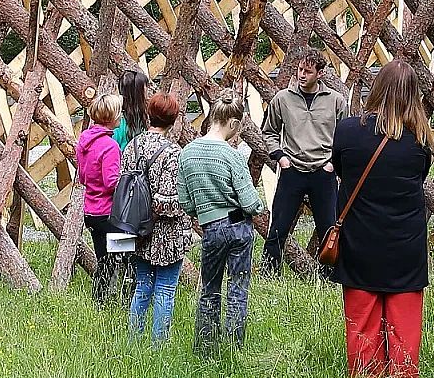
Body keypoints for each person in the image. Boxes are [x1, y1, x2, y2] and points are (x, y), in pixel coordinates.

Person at [330, 60, 432, 378]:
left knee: (361, 324)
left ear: (377, 88)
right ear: (412, 95)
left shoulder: (348, 131)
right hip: (405, 244)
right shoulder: (419, 140)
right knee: (404, 327)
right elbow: (420, 178)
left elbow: (340, 170)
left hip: (360, 240)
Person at [178, 93, 267, 355]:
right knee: (237, 288)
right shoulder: (232, 156)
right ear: (233, 123)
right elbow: (250, 202)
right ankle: (233, 348)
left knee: (209, 289)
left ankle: (205, 348)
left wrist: (204, 210)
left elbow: (185, 201)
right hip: (238, 227)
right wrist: (259, 207)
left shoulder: (187, 154)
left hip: (211, 228)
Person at [259, 50, 347, 276]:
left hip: (323, 171)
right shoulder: (282, 99)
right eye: (299, 70)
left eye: (308, 71)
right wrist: (281, 157)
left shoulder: (336, 101)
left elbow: (344, 137)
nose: (301, 75)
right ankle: (269, 274)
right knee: (278, 227)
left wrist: (333, 164)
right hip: (292, 170)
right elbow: (269, 132)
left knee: (328, 229)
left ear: (320, 73)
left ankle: (329, 277)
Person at [124, 93, 187, 344]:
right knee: (165, 289)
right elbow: (166, 202)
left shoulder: (132, 146)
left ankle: (133, 341)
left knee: (142, 286)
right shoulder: (172, 152)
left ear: (149, 114)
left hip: (136, 230)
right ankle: (158, 345)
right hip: (165, 235)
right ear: (173, 119)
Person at [76, 94, 127, 306]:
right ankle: (124, 299)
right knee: (125, 255)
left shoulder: (85, 141)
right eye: (119, 112)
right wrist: (129, 181)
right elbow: (111, 182)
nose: (121, 116)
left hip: (91, 211)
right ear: (111, 117)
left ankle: (100, 300)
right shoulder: (110, 146)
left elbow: (82, 177)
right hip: (109, 213)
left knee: (104, 259)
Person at [113, 69, 149, 151]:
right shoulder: (118, 121)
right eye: (145, 89)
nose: (147, 92)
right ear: (137, 93)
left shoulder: (140, 114)